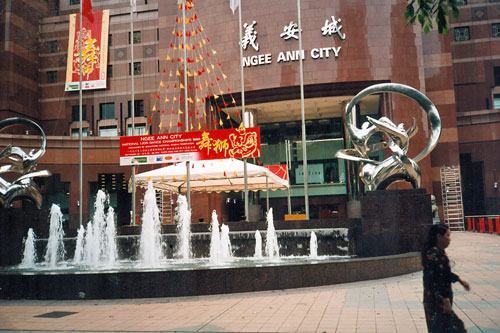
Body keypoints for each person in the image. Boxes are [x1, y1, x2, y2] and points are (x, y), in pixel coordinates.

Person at [422, 224, 470, 332]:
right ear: (439, 236)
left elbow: (444, 273)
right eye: (447, 235)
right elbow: (437, 278)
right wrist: (445, 299)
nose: (450, 239)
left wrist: (459, 280)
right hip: (437, 299)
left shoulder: (437, 252)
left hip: (435, 298)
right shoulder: (434, 254)